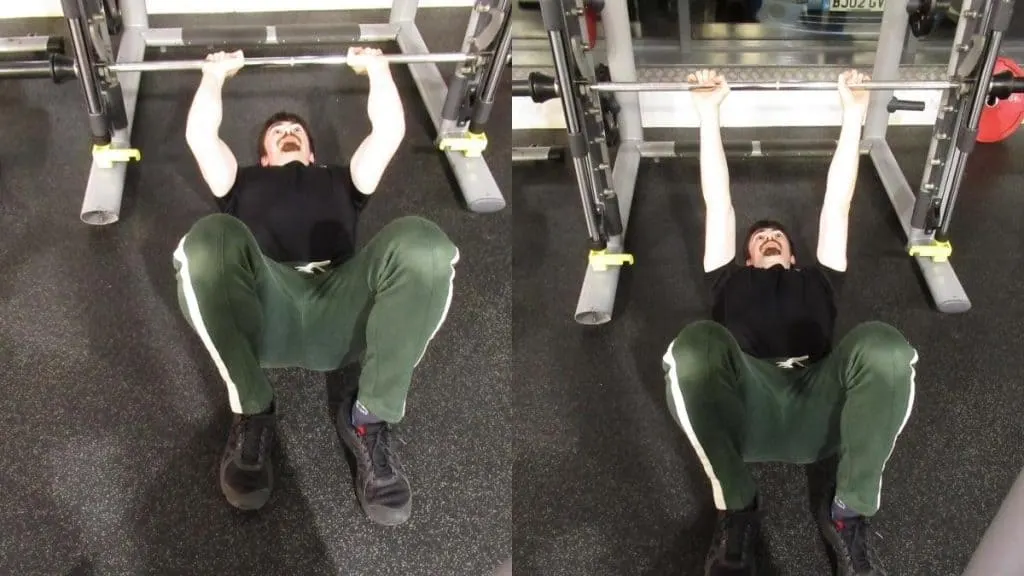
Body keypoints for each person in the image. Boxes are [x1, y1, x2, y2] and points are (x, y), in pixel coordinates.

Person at [173, 48, 459, 527]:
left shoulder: (343, 181)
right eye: (277, 133)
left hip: (339, 307)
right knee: (204, 243)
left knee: (425, 246)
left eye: (296, 133)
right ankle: (253, 410)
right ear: (264, 156)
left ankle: (369, 418)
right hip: (266, 309)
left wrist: (379, 69)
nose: (288, 133)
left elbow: (388, 132)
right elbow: (200, 136)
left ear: (311, 153)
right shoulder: (239, 184)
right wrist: (213, 75)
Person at [661, 69, 918, 576]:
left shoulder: (819, 279)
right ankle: (737, 507)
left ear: (795, 254)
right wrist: (708, 115)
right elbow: (719, 201)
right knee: (693, 347)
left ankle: (849, 515)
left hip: (819, 410)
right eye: (759, 238)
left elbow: (838, 203)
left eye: (777, 235)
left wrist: (854, 114)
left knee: (885, 347)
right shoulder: (727, 279)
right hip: (745, 408)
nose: (768, 237)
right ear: (747, 256)